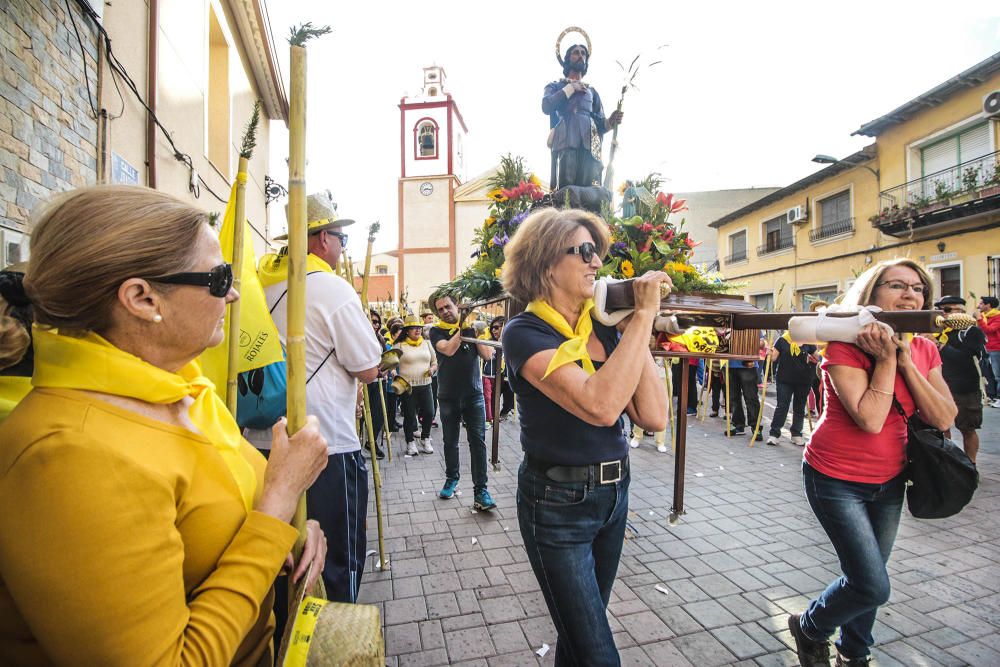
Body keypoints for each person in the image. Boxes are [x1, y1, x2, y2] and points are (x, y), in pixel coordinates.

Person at [0, 185, 329, 665]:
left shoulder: (179, 384)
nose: (235, 294)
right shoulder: (67, 453)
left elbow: (227, 523)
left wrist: (293, 531)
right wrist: (278, 508)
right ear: (142, 298)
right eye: (219, 279)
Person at [500, 207, 668, 666]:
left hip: (614, 497)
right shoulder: (524, 333)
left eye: (600, 254)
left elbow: (654, 417)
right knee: (598, 654)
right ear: (547, 262)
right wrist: (644, 315)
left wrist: (636, 323)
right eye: (586, 252)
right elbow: (599, 404)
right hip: (557, 505)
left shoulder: (602, 327)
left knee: (578, 642)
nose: (598, 264)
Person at [788, 259, 956, 667]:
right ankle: (810, 627)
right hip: (835, 477)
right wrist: (884, 360)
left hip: (892, 479)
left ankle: (855, 652)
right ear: (872, 296)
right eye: (896, 285)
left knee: (868, 576)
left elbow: (945, 416)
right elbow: (870, 418)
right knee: (871, 584)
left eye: (917, 289)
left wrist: (905, 361)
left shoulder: (924, 348)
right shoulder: (844, 346)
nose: (909, 295)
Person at [250, 192, 381, 604]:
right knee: (335, 564)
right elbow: (369, 367)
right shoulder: (332, 288)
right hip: (323, 449)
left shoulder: (260, 285)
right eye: (341, 238)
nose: (343, 248)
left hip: (257, 449)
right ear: (322, 239)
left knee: (280, 567)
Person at [429, 292, 497, 510]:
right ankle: (452, 479)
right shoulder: (436, 331)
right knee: (450, 442)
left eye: (448, 306)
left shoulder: (471, 328)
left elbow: (487, 356)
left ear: (456, 305)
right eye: (440, 309)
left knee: (478, 443)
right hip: (448, 397)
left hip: (474, 395)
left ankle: (481, 491)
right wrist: (463, 327)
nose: (445, 312)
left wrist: (474, 329)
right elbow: (448, 350)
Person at [542, 43, 622, 190]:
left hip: (590, 145)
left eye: (583, 53)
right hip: (566, 141)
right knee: (566, 190)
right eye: (576, 52)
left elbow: (599, 121)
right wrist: (570, 88)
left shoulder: (592, 91)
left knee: (591, 189)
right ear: (567, 59)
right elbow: (546, 106)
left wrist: (610, 121)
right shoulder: (555, 86)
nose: (580, 55)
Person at [934, 296, 986, 463]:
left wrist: (941, 346)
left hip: (965, 387)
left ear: (961, 311)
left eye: (948, 310)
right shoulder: (939, 330)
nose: (944, 314)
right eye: (941, 310)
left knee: (967, 428)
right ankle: (949, 462)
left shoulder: (971, 331)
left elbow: (968, 357)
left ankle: (971, 464)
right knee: (942, 427)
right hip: (941, 386)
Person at [394, 314, 437, 456]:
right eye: (413, 328)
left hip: (426, 384)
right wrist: (396, 375)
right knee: (410, 416)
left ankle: (425, 439)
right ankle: (410, 442)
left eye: (419, 328)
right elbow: (390, 365)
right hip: (408, 386)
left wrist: (432, 369)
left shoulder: (426, 343)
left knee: (430, 412)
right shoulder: (399, 345)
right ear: (407, 330)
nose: (417, 330)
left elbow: (435, 362)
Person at [767, 332, 818, 446]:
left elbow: (817, 356)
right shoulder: (782, 340)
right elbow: (774, 358)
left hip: (803, 380)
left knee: (799, 408)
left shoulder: (807, 340)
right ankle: (774, 434)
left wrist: (818, 356)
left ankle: (796, 434)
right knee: (782, 406)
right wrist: (769, 353)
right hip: (784, 379)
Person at [482, 316, 514, 423]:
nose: (493, 330)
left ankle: (504, 412)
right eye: (492, 328)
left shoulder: (511, 341)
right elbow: (487, 357)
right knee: (492, 398)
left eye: (496, 327)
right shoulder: (490, 342)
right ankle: (491, 417)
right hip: (492, 375)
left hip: (507, 375)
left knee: (510, 393)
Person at [726, 355, 763, 442]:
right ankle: (737, 424)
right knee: (733, 397)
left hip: (748, 364)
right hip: (729, 363)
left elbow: (762, 343)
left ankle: (755, 426)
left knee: (751, 397)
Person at [974, 295, 1000, 407]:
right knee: (988, 374)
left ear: (988, 305)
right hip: (985, 348)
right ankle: (991, 396)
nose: (978, 305)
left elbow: (989, 330)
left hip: (996, 349)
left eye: (981, 304)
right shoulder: (985, 316)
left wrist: (979, 319)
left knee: (997, 375)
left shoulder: (997, 317)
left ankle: (999, 398)